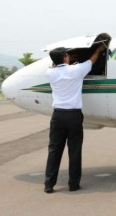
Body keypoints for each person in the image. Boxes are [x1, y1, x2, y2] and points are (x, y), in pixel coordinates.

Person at [44, 44, 106, 193]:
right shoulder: (76, 70)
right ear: (65, 57)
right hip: (73, 116)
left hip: (57, 116)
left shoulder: (49, 73)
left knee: (54, 151)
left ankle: (48, 185)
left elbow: (55, 66)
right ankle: (73, 184)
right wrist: (98, 50)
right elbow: (91, 61)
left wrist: (63, 60)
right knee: (75, 151)